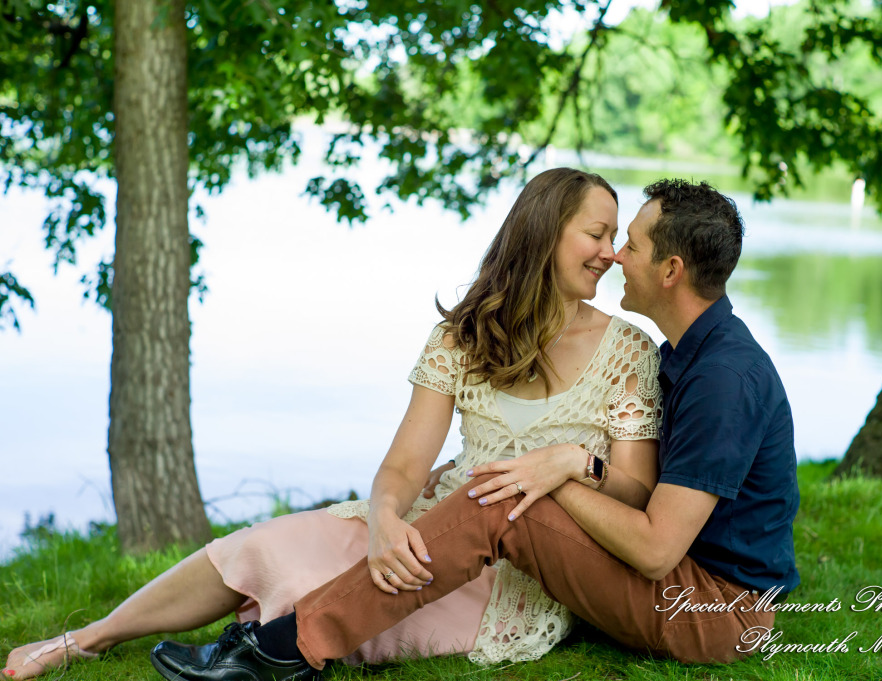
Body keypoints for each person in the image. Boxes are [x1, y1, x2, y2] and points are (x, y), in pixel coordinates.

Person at [2, 167, 663, 680]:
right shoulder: (459, 336)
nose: (610, 252)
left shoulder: (628, 350)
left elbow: (633, 493)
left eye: (614, 237)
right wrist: (383, 521)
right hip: (429, 522)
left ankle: (255, 652)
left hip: (519, 566)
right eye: (597, 233)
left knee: (333, 596)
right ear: (546, 232)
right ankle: (82, 640)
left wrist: (575, 463)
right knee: (267, 542)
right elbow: (405, 464)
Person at [148, 178, 801, 681]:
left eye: (631, 243)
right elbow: (642, 497)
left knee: (507, 501)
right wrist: (569, 464)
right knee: (508, 490)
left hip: (718, 614)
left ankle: (286, 649)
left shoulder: (722, 378)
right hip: (687, 587)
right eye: (609, 237)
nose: (616, 256)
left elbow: (657, 549)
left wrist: (551, 471)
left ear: (670, 270)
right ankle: (281, 636)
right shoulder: (687, 354)